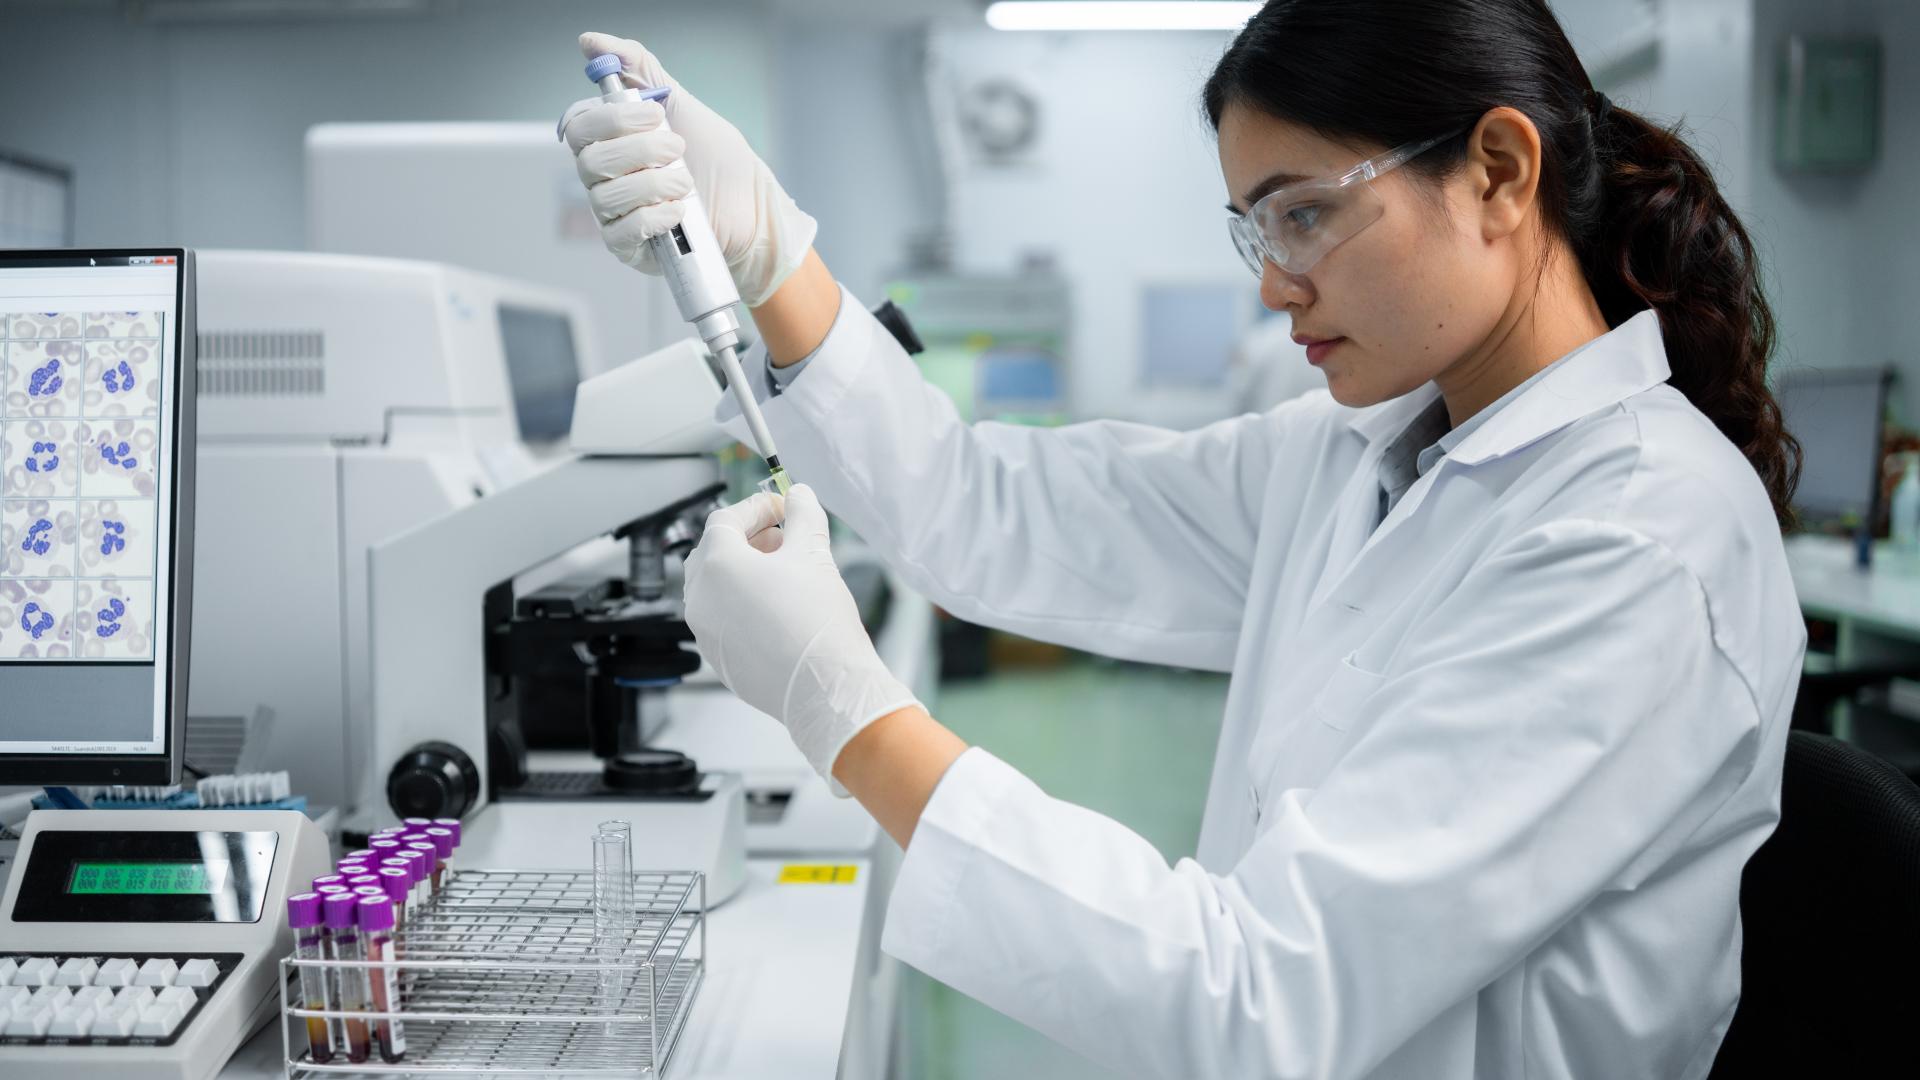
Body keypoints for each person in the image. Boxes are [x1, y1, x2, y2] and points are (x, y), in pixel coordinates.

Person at [559, 1, 1805, 1075]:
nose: (1273, 283)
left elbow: (1258, 1003)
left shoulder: (1642, 542)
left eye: (1306, 214)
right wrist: (766, 248)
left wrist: (847, 711)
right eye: (1256, 228)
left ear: (1499, 171)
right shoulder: (1354, 454)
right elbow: (984, 510)